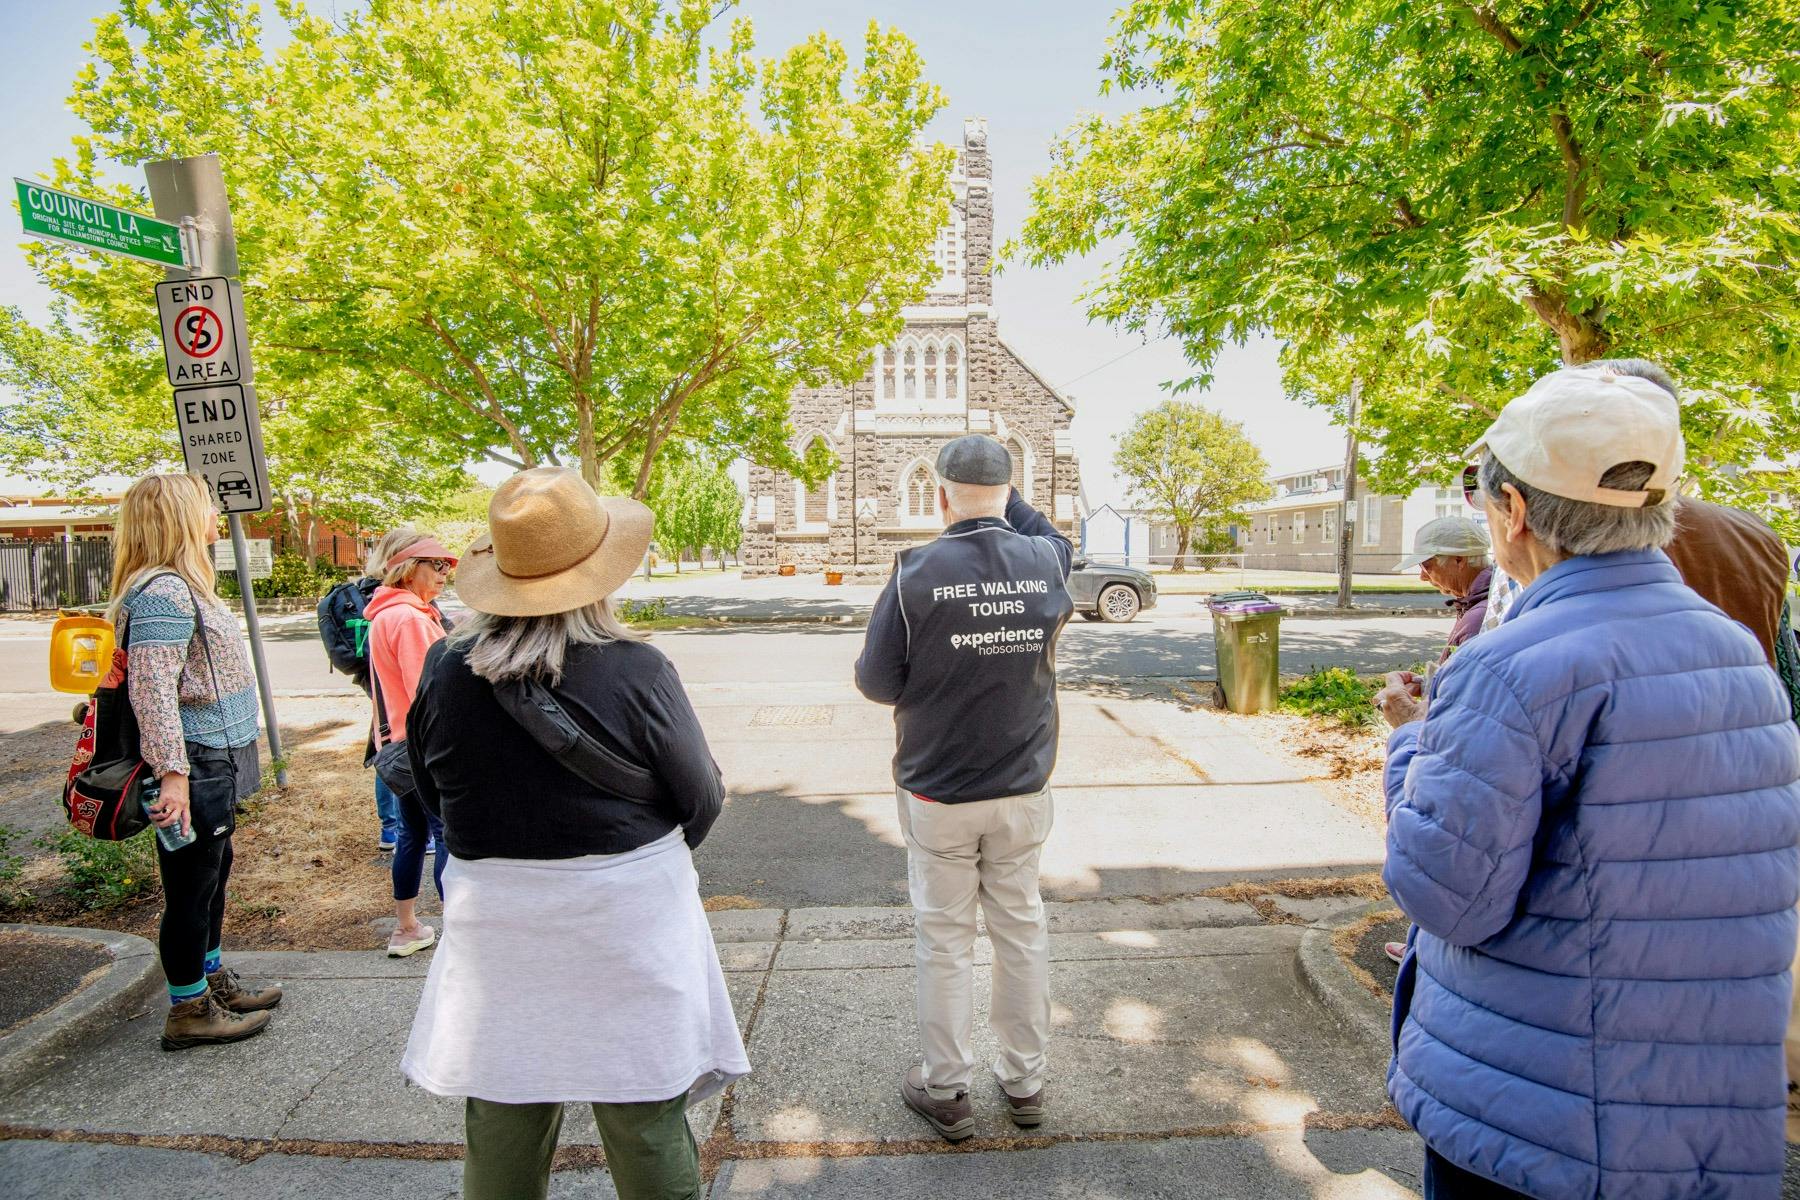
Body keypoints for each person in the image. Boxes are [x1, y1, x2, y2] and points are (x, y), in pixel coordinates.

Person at [1376, 366, 1800, 1198]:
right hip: (1700, 1103)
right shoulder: (1736, 653)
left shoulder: (1509, 666)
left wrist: (1407, 745)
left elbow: (1447, 895)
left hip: (1543, 1112)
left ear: (1517, 512)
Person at [400, 466, 747, 1200]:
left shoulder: (446, 667)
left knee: (503, 1105)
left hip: (498, 917)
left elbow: (430, 792)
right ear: (598, 575)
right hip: (627, 911)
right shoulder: (637, 669)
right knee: (645, 1108)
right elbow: (701, 800)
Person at [854, 435, 1074, 1141]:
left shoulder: (915, 571)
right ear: (1011, 493)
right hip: (1021, 782)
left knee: (945, 939)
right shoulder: (1046, 561)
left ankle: (947, 1089)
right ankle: (1026, 1081)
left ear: (939, 492)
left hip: (939, 789)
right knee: (1021, 930)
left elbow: (876, 681)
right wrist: (1008, 499)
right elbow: (1048, 532)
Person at [108, 473, 282, 1049]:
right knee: (190, 886)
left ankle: (210, 981)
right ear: (180, 518)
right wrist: (173, 776)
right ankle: (188, 1010)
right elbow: (152, 692)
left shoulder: (184, 586)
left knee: (213, 875)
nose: (215, 518)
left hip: (216, 758)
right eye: (206, 508)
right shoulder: (163, 592)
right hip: (194, 763)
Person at [366, 534, 458, 957]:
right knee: (446, 837)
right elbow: (431, 695)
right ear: (407, 566)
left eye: (447, 566)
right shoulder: (411, 620)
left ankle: (406, 928)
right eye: (435, 564)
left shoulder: (384, 613)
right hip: (424, 749)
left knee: (411, 835)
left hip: (397, 746)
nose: (445, 573)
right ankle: (459, 933)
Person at [1395, 515, 1491, 664]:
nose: (1422, 576)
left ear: (1459, 560)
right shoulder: (1482, 600)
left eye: (1426, 566)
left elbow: (1459, 685)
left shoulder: (1479, 617)